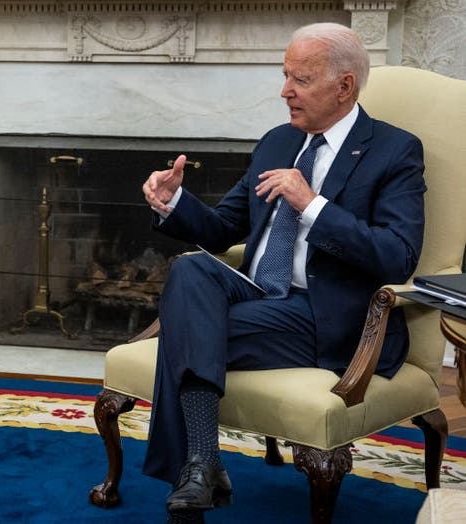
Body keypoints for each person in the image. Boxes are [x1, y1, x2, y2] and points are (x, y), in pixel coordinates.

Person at [141, 23, 425, 522]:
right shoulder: (278, 141)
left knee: (184, 334)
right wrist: (174, 203)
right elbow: (226, 226)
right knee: (190, 273)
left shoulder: (395, 151)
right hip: (257, 294)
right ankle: (205, 459)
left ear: (344, 87)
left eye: (301, 79)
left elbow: (397, 255)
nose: (284, 91)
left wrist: (312, 204)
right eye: (285, 75)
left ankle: (198, 467)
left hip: (326, 315)